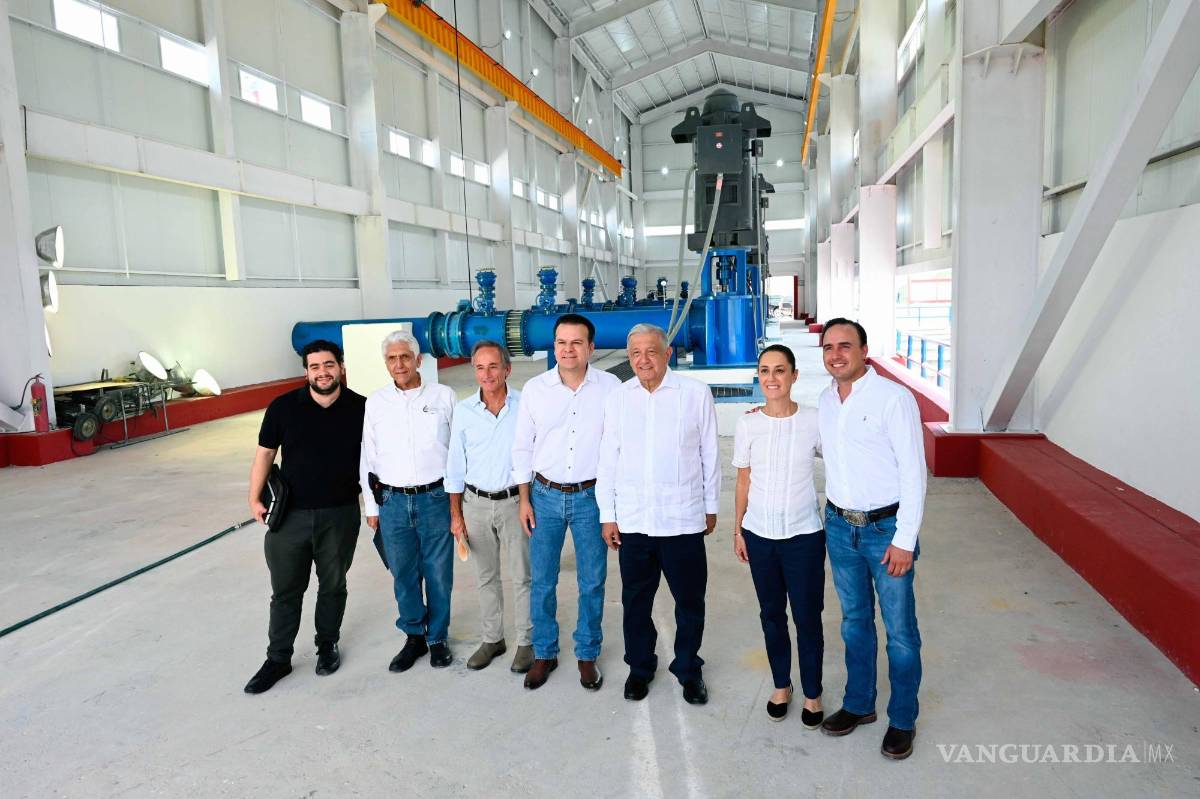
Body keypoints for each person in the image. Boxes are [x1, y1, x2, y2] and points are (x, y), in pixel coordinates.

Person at [816, 318, 926, 760]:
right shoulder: (826, 400)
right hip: (840, 528)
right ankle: (860, 704)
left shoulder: (893, 399)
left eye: (845, 346)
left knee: (900, 632)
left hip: (886, 531)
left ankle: (902, 719)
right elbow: (828, 449)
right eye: (829, 347)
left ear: (864, 350)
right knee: (854, 622)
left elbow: (914, 473)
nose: (836, 354)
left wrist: (905, 538)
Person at [597, 324, 720, 705]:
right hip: (634, 520)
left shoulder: (694, 394)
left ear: (668, 354)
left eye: (651, 351)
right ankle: (640, 667)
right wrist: (608, 513)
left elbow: (710, 453)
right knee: (636, 601)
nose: (643, 360)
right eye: (635, 353)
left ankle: (688, 668)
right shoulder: (619, 398)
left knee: (689, 601)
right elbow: (608, 457)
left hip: (682, 518)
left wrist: (710, 506)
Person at [244, 340, 366, 694]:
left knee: (333, 585)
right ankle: (278, 658)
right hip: (290, 518)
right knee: (285, 591)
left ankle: (327, 645)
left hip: (340, 515)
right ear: (306, 372)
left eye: (328, 365)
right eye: (315, 367)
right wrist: (253, 497)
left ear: (340, 367)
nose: (322, 372)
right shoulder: (283, 407)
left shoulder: (361, 408)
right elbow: (265, 455)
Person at [511, 313, 620, 691]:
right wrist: (524, 500)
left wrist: (612, 508)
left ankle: (587, 654)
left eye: (576, 343)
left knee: (592, 581)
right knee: (542, 580)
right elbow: (523, 447)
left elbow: (619, 446)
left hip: (591, 497)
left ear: (591, 348)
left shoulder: (611, 388)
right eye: (561, 342)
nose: (568, 349)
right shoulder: (536, 389)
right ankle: (545, 653)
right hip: (544, 497)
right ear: (553, 345)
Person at [732, 344, 824, 727]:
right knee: (772, 614)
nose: (772, 378)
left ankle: (814, 693)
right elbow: (743, 479)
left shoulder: (815, 421)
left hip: (804, 536)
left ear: (794, 376)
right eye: (765, 371)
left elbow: (842, 462)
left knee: (807, 616)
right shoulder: (748, 423)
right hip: (760, 535)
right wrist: (738, 528)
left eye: (780, 370)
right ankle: (782, 684)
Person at [361, 329, 458, 672]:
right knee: (403, 573)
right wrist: (371, 509)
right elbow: (367, 457)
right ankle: (414, 636)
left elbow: (457, 453)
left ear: (418, 360)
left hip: (435, 497)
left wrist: (456, 503)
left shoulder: (443, 396)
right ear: (385, 364)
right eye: (392, 358)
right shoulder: (376, 402)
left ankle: (437, 638)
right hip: (392, 502)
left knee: (438, 573)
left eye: (405, 357)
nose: (399, 364)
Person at [446, 340, 533, 674]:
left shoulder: (525, 406)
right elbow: (454, 467)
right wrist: (456, 515)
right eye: (480, 367)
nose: (487, 374)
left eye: (493, 366)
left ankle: (526, 642)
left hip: (515, 503)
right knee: (486, 576)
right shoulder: (465, 412)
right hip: (476, 504)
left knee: (523, 575)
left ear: (507, 369)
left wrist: (528, 500)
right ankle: (492, 639)